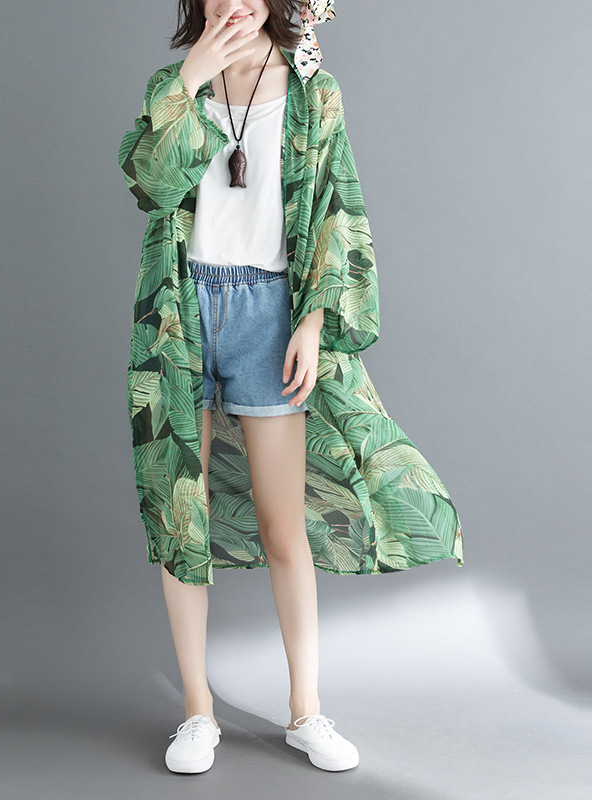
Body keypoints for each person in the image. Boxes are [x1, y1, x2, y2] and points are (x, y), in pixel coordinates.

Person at [117, 0, 464, 776]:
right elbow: (151, 185)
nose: (236, 3)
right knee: (181, 515)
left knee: (284, 529)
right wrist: (191, 78)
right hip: (180, 310)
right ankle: (197, 712)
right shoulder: (173, 85)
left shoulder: (313, 90)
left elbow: (337, 208)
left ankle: (306, 709)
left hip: (269, 314)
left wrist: (312, 320)